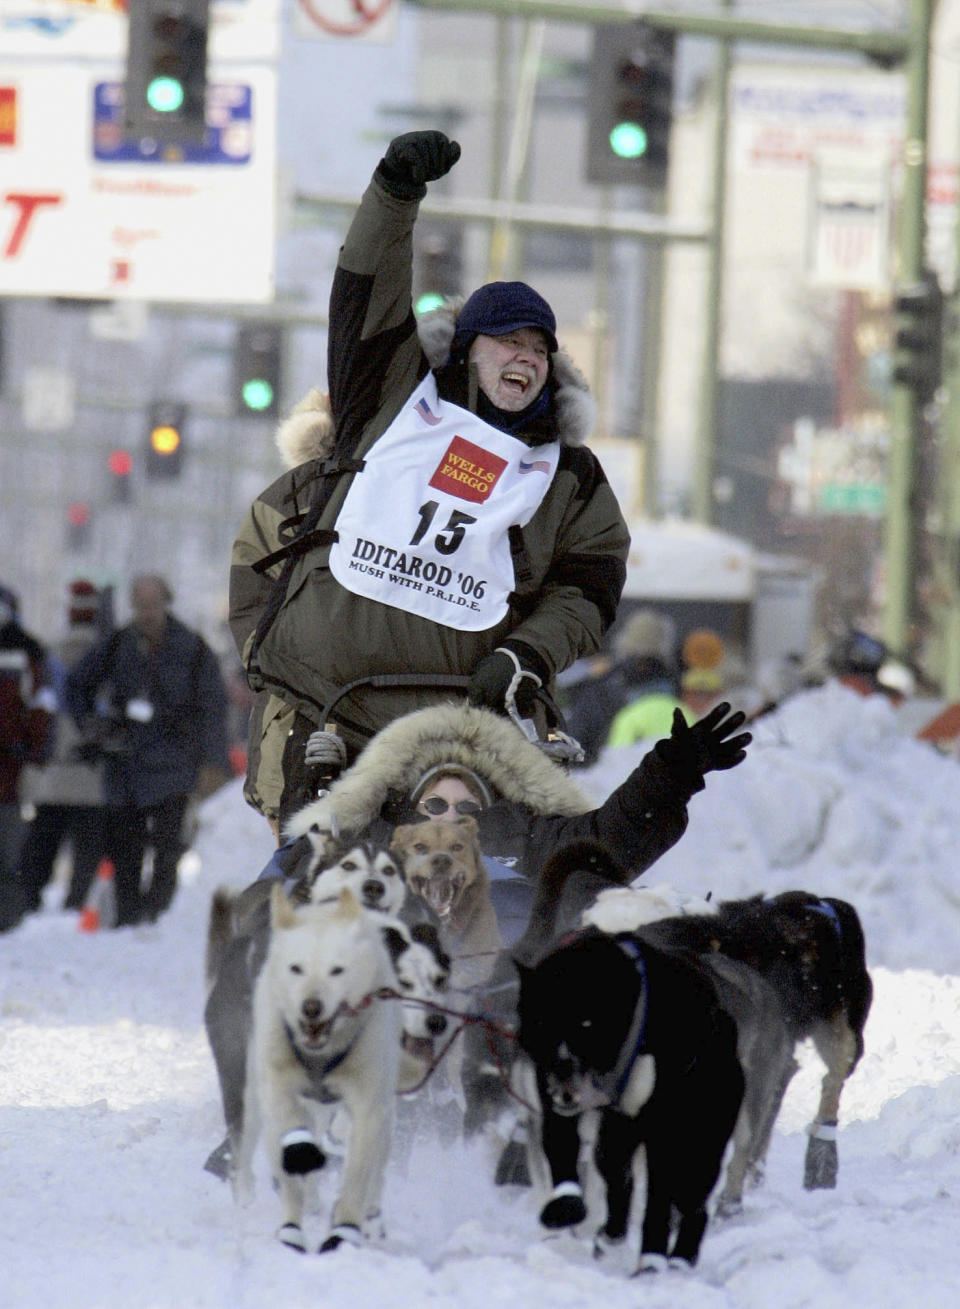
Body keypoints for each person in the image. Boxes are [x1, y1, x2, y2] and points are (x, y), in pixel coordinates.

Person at [229, 130, 631, 832]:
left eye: (539, 348)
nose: (525, 357)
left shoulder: (568, 475)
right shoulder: (393, 397)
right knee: (318, 908)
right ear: (467, 349)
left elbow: (590, 591)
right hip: (329, 712)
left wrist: (525, 655)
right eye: (508, 340)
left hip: (462, 736)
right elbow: (366, 288)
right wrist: (395, 191)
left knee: (468, 910)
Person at [257, 697, 752, 951]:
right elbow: (307, 865)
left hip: (509, 984)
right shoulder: (380, 848)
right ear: (410, 815)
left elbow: (607, 839)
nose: (449, 819)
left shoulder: (529, 839)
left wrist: (669, 775)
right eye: (434, 807)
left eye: (467, 810)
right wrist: (318, 797)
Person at [65, 574, 231, 927]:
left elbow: (213, 706)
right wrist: (92, 725)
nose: (146, 613)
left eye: (152, 605)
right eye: (140, 606)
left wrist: (213, 762)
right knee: (124, 848)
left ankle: (158, 913)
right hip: (126, 764)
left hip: (174, 764)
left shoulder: (191, 647)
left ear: (165, 603)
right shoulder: (117, 644)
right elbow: (77, 684)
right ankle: (128, 916)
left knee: (168, 848)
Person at [18, 579, 110, 916]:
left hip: (54, 767)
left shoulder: (49, 654)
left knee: (42, 843)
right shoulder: (108, 652)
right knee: (87, 849)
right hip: (91, 769)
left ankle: (30, 900)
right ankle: (79, 904)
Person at [0, 584, 56, 932]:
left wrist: (34, 750)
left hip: (11, 775)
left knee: (8, 853)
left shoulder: (28, 653)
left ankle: (7, 918)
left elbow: (40, 707)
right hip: (13, 770)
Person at [566, 608, 686, 762]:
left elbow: (576, 739)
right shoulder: (676, 686)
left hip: (608, 774)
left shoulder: (605, 685)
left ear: (625, 640)